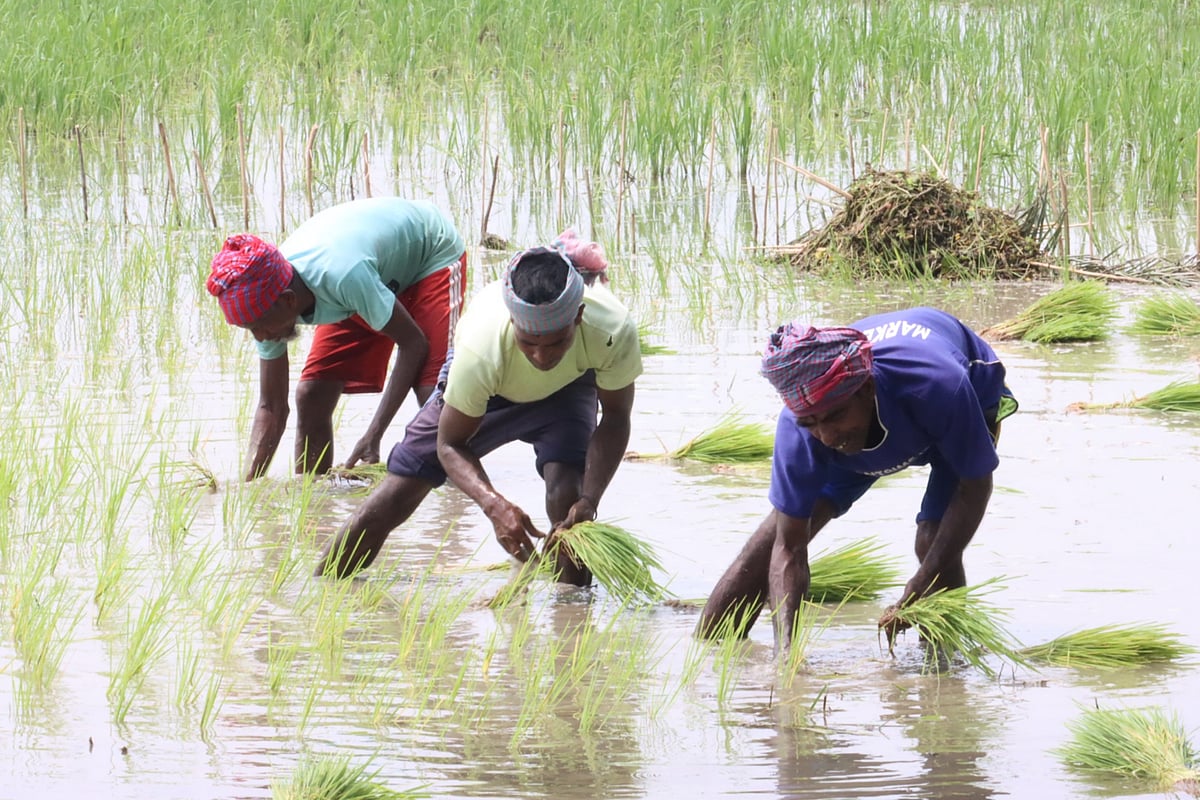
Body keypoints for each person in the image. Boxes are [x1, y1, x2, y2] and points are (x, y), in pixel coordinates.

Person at [314, 235, 642, 585]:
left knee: (569, 503)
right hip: (489, 389)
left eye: (557, 342)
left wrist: (590, 500)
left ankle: (571, 615)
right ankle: (321, 591)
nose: (542, 357)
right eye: (529, 342)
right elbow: (450, 444)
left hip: (567, 388)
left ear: (578, 317)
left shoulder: (611, 330)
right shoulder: (482, 346)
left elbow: (616, 417)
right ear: (514, 324)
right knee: (395, 495)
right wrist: (493, 505)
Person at [698, 307, 1017, 648]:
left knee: (932, 542)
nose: (826, 435)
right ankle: (707, 654)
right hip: (869, 432)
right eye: (811, 423)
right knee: (769, 544)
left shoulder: (937, 386)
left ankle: (944, 669)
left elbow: (975, 485)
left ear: (866, 389)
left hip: (955, 411)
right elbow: (789, 549)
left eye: (834, 416)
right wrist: (787, 658)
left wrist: (921, 581)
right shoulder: (802, 427)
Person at [205, 197, 467, 481]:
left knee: (433, 394)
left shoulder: (342, 275)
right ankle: (314, 499)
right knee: (312, 395)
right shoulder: (265, 302)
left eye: (260, 328)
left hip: (428, 255)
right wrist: (248, 488)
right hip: (371, 276)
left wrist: (373, 434)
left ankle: (457, 497)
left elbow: (414, 343)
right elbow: (271, 407)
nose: (260, 337)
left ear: (288, 300)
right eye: (250, 330)